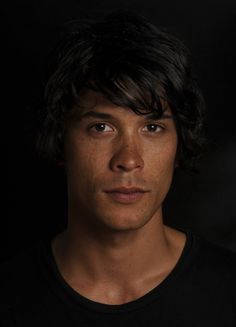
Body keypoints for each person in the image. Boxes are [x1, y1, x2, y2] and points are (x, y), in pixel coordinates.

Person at [1, 10, 235, 326]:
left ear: (179, 145)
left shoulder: (227, 291)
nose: (128, 159)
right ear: (60, 140)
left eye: (152, 128)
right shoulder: (11, 296)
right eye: (101, 127)